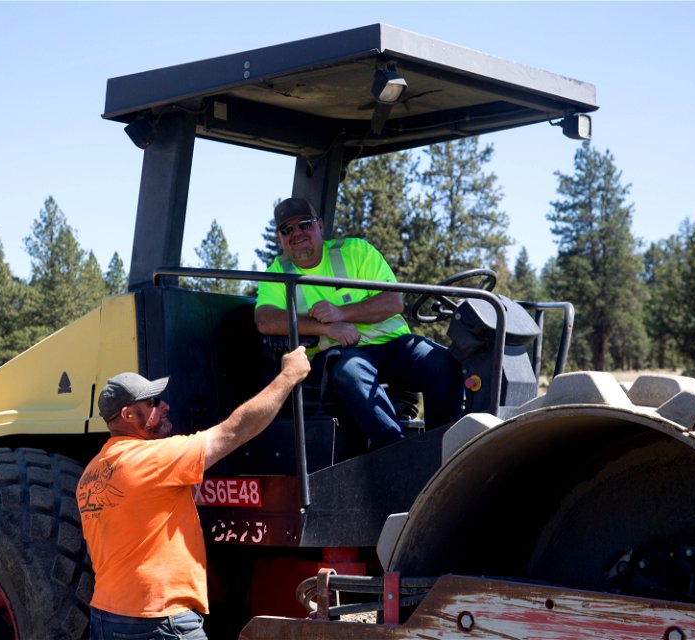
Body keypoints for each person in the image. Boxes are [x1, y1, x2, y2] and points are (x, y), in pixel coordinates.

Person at [78, 346, 310, 640]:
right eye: (153, 402)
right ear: (128, 415)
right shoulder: (153, 459)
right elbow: (234, 430)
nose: (165, 406)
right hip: (160, 618)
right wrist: (289, 376)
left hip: (106, 615)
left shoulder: (90, 474)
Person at [254, 197, 463, 449]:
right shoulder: (277, 273)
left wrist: (341, 313)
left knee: (443, 362)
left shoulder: (356, 252)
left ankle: (445, 451)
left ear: (319, 225)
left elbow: (393, 302)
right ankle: (398, 454)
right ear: (280, 237)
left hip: (393, 345)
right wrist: (326, 328)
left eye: (304, 225)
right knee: (351, 372)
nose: (297, 233)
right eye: (287, 229)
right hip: (335, 356)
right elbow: (265, 319)